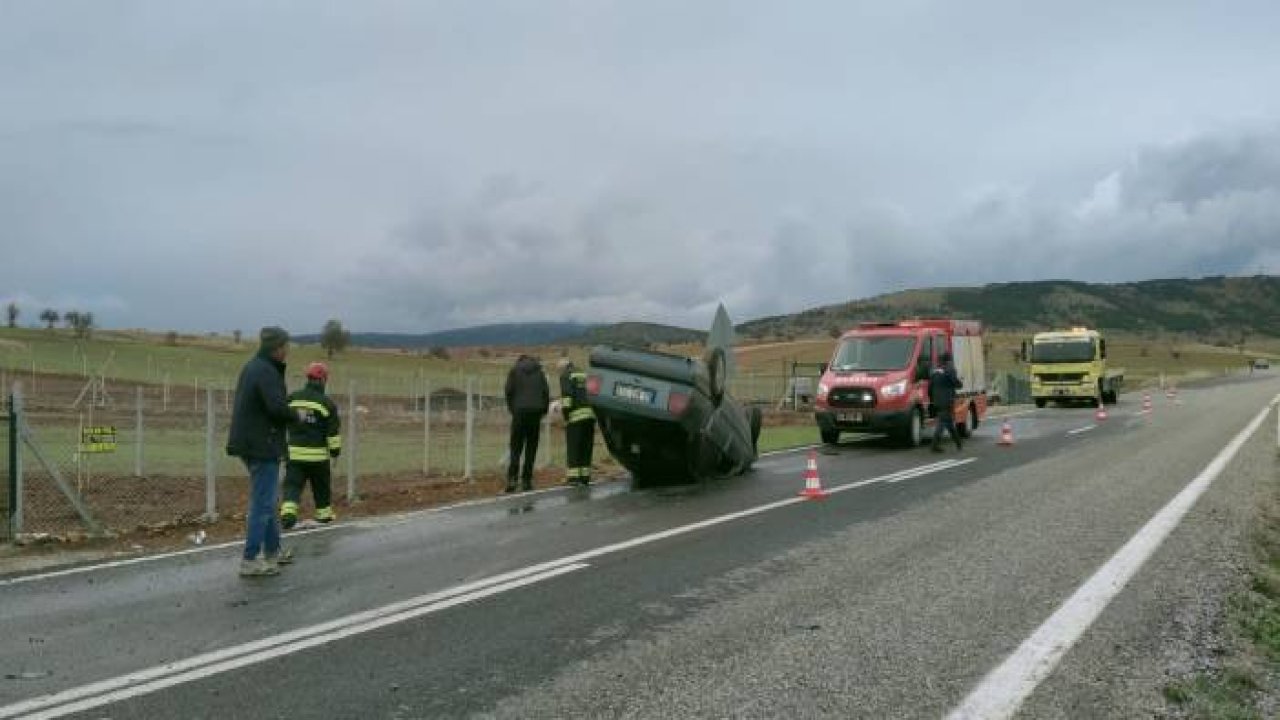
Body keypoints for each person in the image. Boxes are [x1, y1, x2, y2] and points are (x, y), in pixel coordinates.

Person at [226, 326, 297, 577]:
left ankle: (273, 551)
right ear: (276, 348)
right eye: (285, 346)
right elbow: (276, 408)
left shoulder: (255, 367)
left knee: (268, 499)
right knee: (263, 502)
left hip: (252, 442)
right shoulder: (266, 371)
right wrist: (296, 415)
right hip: (261, 444)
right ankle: (250, 559)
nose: (287, 351)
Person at [280, 361, 342, 530]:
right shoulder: (327, 403)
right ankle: (324, 515)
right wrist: (335, 452)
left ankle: (288, 514)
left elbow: (281, 420)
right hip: (318, 457)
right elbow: (333, 433)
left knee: (292, 485)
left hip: (294, 454)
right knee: (321, 487)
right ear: (322, 380)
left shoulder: (292, 398)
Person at [504, 354, 550, 493]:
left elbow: (508, 391)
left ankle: (512, 479)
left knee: (515, 448)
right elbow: (545, 393)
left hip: (519, 412)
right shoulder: (540, 373)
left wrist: (513, 409)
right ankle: (526, 481)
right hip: (535, 413)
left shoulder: (514, 371)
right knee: (531, 448)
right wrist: (543, 411)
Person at [557, 358, 596, 486]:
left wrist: (566, 416)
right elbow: (593, 392)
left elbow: (567, 397)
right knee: (586, 447)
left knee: (574, 447)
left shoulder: (566, 375)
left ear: (563, 368)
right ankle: (585, 476)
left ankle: (574, 478)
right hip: (590, 416)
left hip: (575, 417)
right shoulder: (584, 374)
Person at [929, 351, 964, 453]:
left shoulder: (934, 372)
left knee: (949, 423)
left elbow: (929, 388)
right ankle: (934, 445)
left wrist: (932, 399)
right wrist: (960, 383)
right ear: (948, 360)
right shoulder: (950, 370)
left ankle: (958, 444)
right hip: (947, 401)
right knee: (942, 422)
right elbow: (956, 383)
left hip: (937, 401)